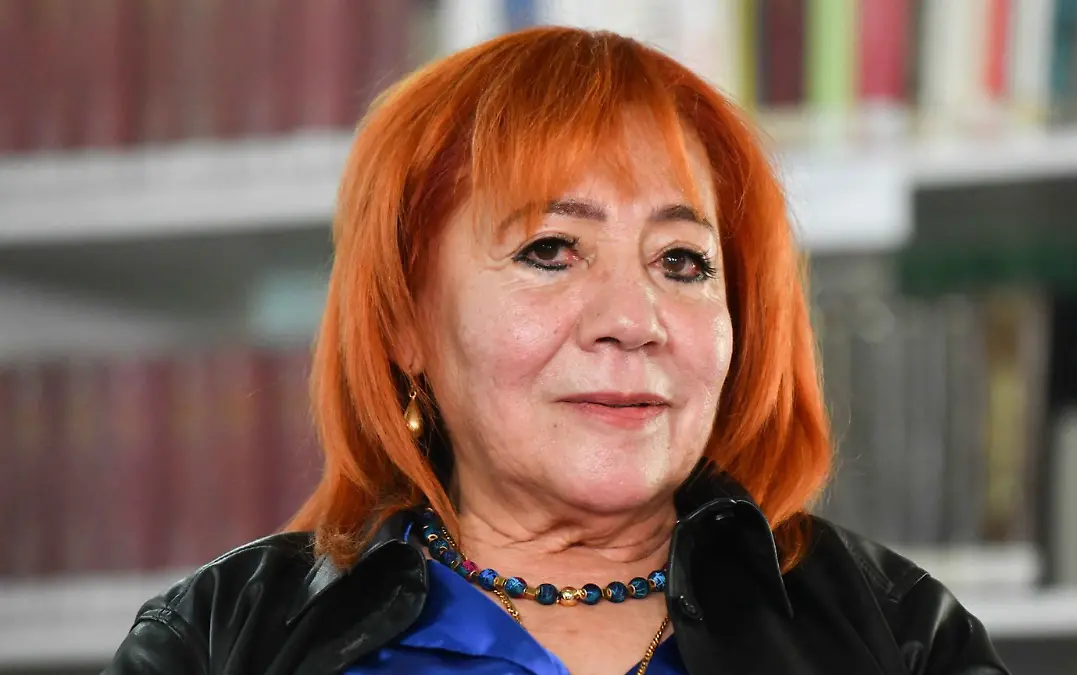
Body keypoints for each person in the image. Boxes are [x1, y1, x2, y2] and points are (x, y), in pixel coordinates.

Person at [104, 26, 1008, 675]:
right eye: (551, 249)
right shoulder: (218, 640)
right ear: (404, 322)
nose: (633, 318)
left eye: (682, 261)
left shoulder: (899, 636)